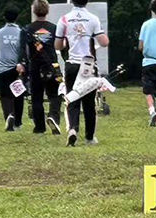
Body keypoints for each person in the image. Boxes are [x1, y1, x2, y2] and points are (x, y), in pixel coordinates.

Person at [55, 0, 109, 147]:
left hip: (72, 64)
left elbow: (58, 46)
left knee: (72, 98)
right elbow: (104, 42)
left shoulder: (64, 19)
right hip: (88, 64)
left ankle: (72, 129)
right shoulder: (93, 18)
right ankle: (90, 137)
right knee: (89, 103)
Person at [0, 5, 26, 132]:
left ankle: (9, 116)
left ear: (4, 17)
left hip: (2, 69)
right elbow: (24, 50)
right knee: (18, 94)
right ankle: (18, 122)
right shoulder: (21, 32)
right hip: (17, 69)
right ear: (17, 17)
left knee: (5, 95)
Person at [26, 0, 61, 135]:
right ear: (47, 11)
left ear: (34, 11)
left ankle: (39, 127)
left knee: (36, 97)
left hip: (35, 65)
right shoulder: (54, 28)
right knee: (56, 95)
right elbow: (60, 46)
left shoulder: (28, 29)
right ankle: (54, 117)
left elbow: (25, 50)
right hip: (53, 64)